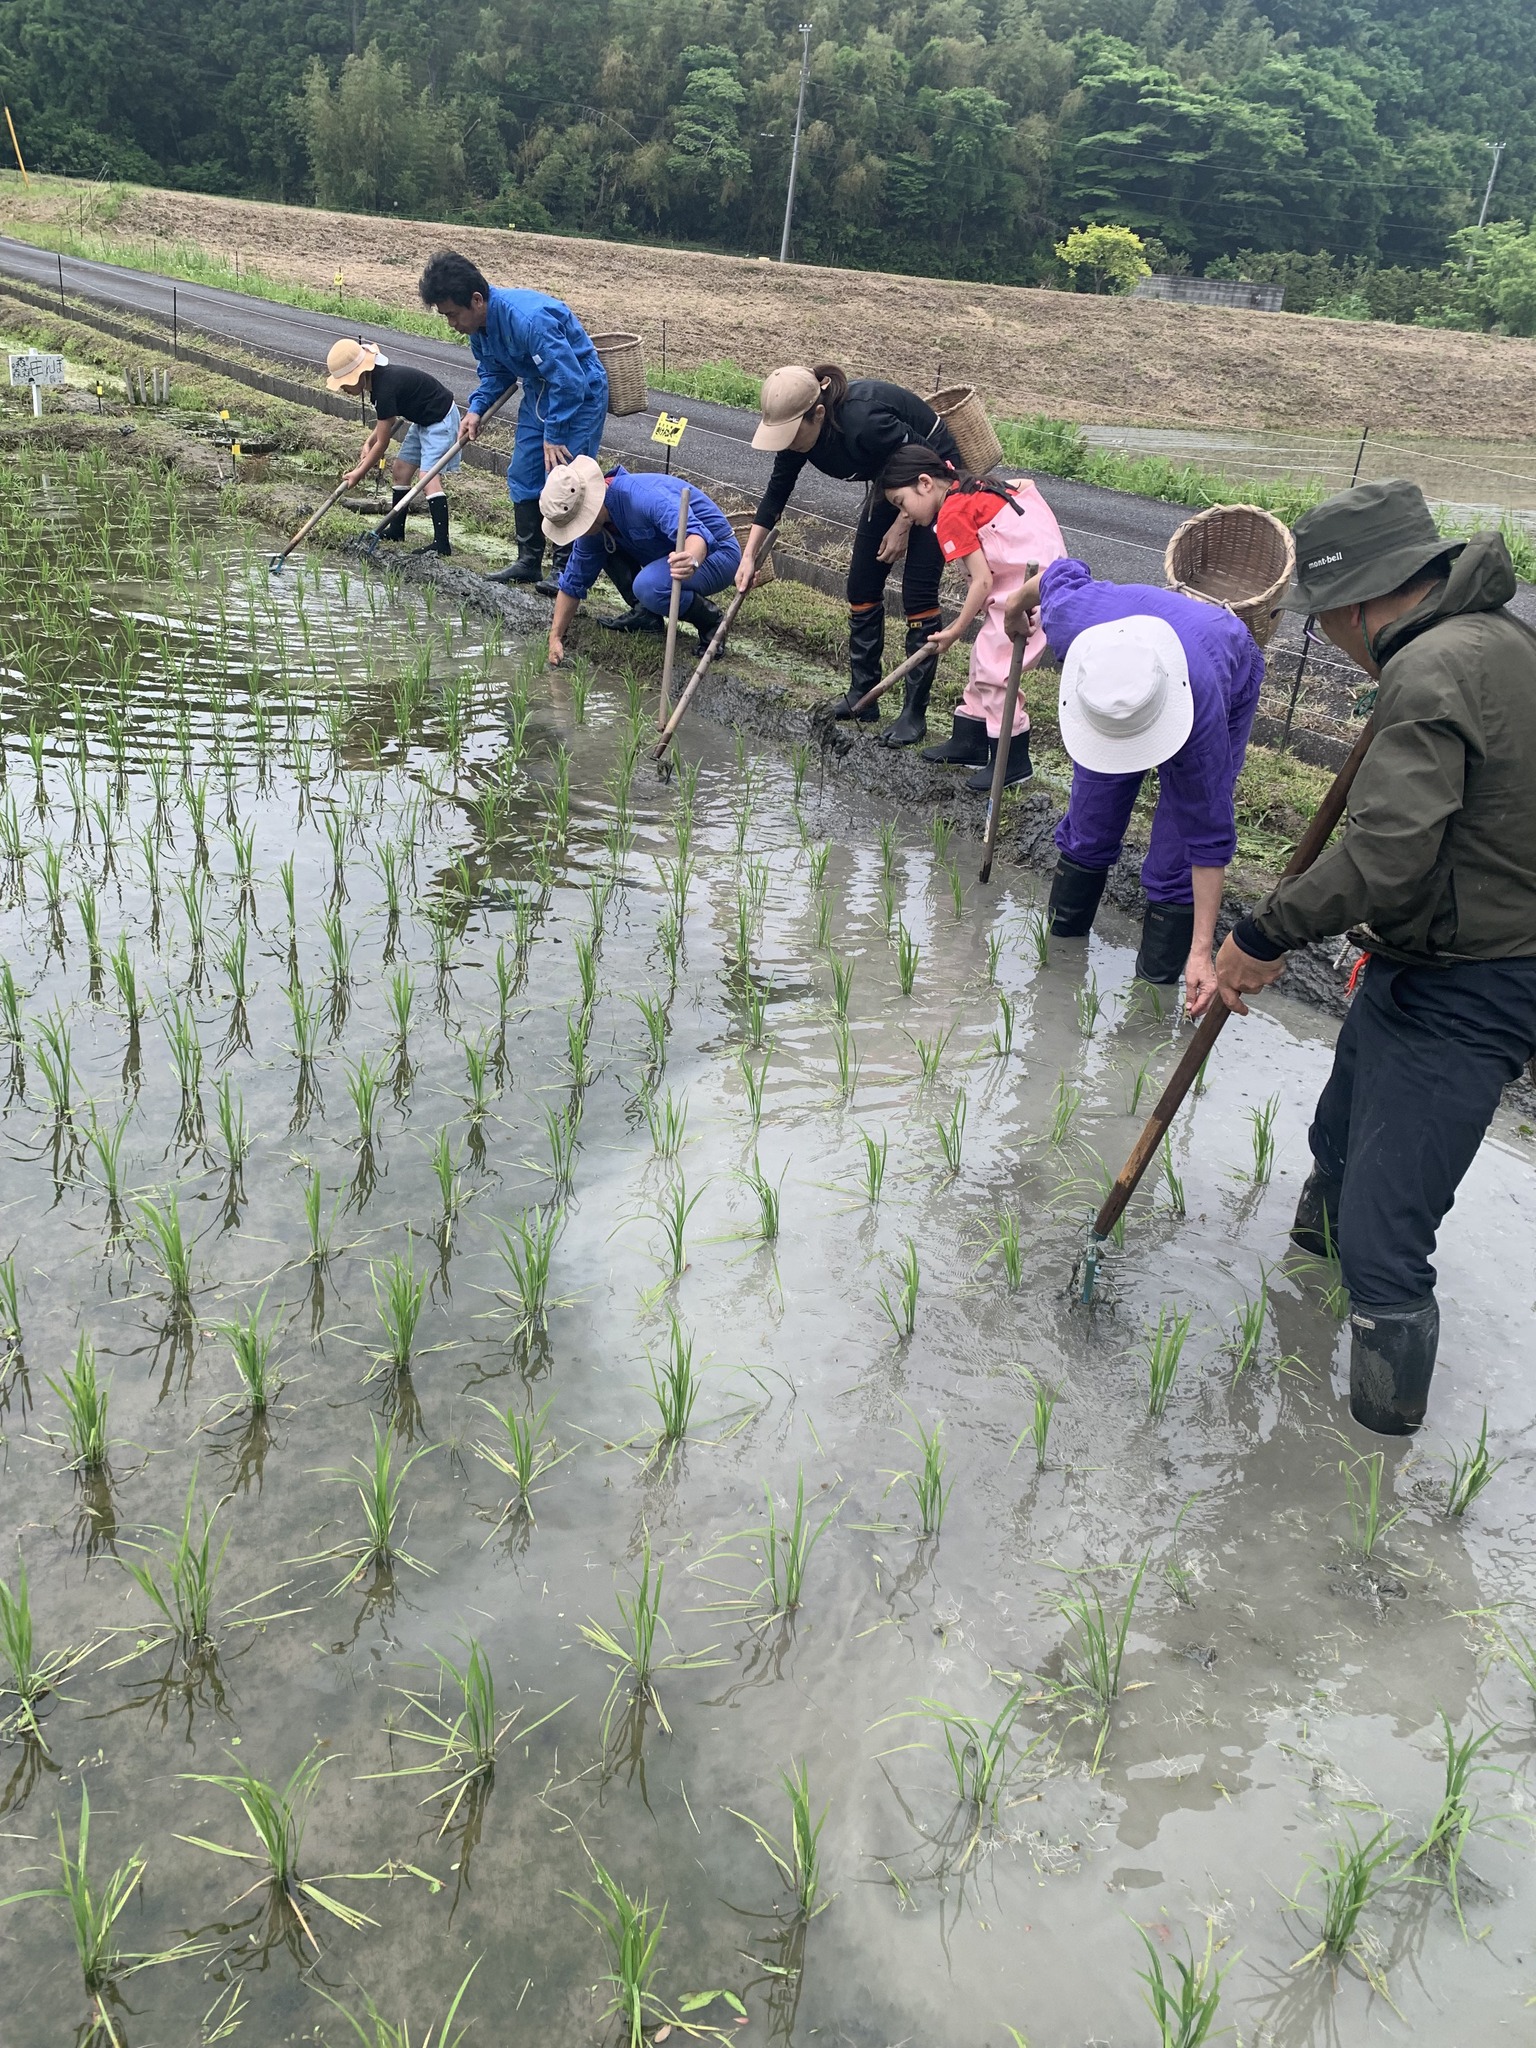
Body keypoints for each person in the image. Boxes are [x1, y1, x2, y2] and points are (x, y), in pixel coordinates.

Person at [1210, 479, 1536, 1439]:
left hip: (1473, 975)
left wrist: (1264, 933)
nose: (1326, 638)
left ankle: (1363, 1492)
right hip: (1434, 952)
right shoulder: (1500, 640)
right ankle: (1304, 1300)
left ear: (1357, 602)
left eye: (1322, 620)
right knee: (1340, 1148)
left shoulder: (1433, 670)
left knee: (1388, 1244)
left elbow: (1389, 860)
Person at [1017, 558, 1265, 1005]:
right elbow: (1057, 573)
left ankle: (1153, 994)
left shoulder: (1202, 722)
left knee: (1176, 850)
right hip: (1123, 670)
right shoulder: (1072, 619)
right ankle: (1057, 962)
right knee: (1090, 817)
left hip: (1217, 657)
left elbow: (1207, 839)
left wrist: (1201, 953)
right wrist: (1016, 604)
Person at [736, 364, 962, 745]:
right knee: (861, 583)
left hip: (934, 478)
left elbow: (922, 461)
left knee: (918, 593)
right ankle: (863, 694)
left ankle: (913, 714)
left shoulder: (864, 420)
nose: (789, 442)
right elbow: (777, 492)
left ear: (819, 414)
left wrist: (904, 523)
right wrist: (749, 555)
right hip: (888, 480)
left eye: (793, 433)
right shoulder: (797, 437)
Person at [418, 249, 608, 594]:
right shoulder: (480, 329)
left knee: (566, 479)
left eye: (452, 314)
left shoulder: (530, 320)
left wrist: (555, 432)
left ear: (476, 300)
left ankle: (564, 568)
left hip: (578, 397)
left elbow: (570, 380)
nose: (452, 325)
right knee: (523, 472)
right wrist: (476, 409)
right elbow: (494, 374)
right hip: (539, 393)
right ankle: (529, 560)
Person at [878, 446, 1066, 792]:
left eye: (901, 503)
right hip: (1038, 577)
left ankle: (1012, 762)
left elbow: (981, 580)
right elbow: (1024, 486)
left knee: (997, 671)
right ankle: (972, 741)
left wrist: (954, 629)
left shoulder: (950, 514)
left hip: (1027, 594)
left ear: (924, 483)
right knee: (984, 661)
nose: (904, 513)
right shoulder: (970, 488)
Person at [541, 459, 742, 668]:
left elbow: (697, 535)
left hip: (715, 554)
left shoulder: (644, 497)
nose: (577, 532)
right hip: (668, 557)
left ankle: (712, 623)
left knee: (649, 586)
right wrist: (555, 637)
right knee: (603, 548)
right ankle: (645, 614)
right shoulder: (597, 527)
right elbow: (574, 581)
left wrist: (690, 559)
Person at [325, 337, 461, 556]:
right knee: (400, 471)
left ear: (359, 374)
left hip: (440, 419)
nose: (343, 388)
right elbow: (384, 425)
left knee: (428, 478)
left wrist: (359, 473)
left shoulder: (384, 387)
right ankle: (397, 529)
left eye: (344, 382)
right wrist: (369, 441)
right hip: (422, 420)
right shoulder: (377, 383)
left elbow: (383, 442)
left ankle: (441, 544)